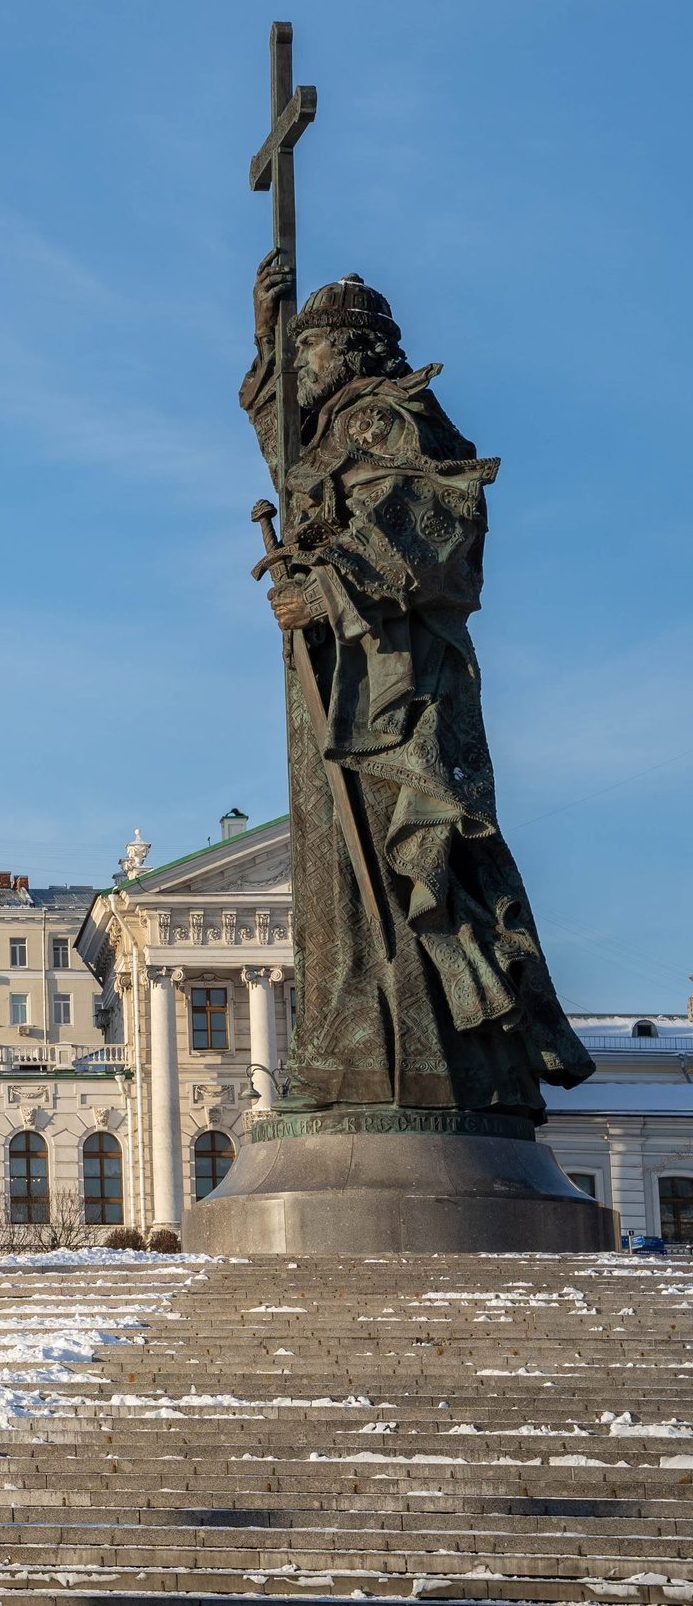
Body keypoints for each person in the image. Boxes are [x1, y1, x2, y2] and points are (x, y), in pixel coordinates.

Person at [239, 255, 591, 1119]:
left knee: (404, 859)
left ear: (356, 351)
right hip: (338, 673)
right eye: (300, 355)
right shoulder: (335, 430)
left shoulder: (395, 417)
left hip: (398, 688)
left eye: (311, 351)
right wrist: (266, 338)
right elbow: (290, 455)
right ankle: (352, 1048)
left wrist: (330, 582)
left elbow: (439, 520)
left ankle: (431, 1061)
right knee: (335, 873)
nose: (304, 369)